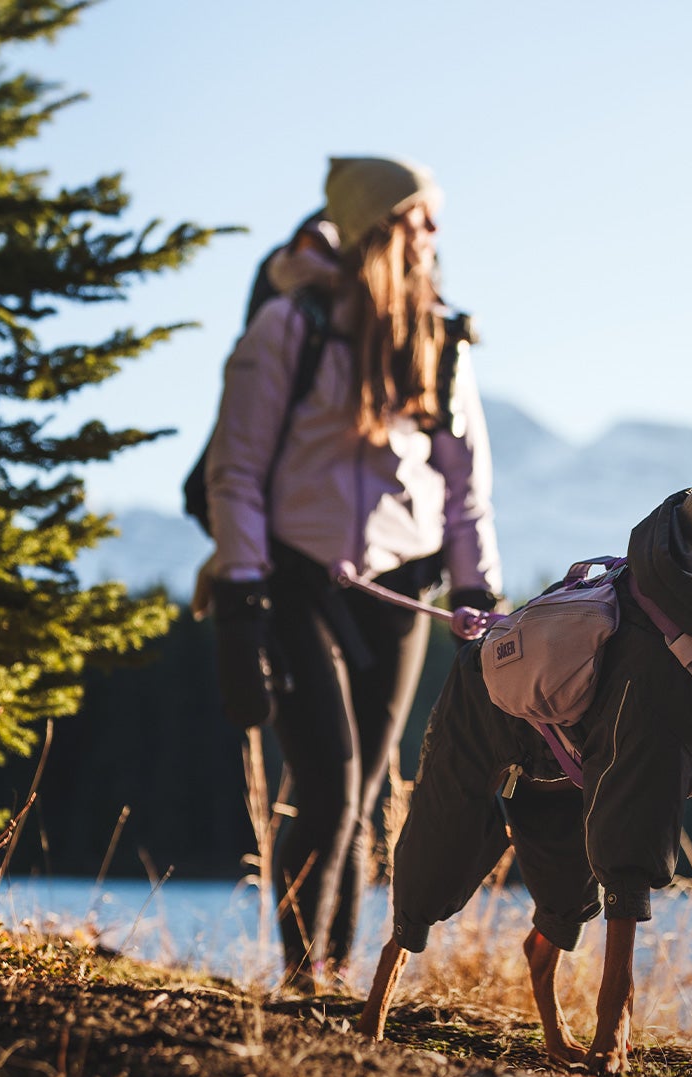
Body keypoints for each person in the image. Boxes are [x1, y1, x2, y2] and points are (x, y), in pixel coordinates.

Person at [201, 156, 499, 991]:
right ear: (379, 227)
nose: (436, 235)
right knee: (330, 786)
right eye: (421, 217)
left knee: (369, 791)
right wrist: (242, 596)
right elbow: (238, 470)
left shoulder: (442, 339)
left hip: (401, 592)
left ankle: (330, 970)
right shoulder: (290, 331)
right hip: (293, 584)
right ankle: (305, 974)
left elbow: (467, 483)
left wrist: (478, 592)